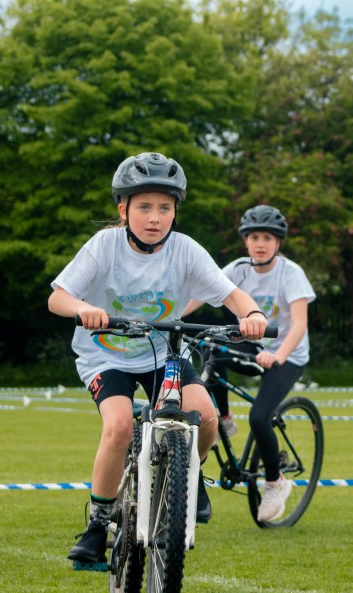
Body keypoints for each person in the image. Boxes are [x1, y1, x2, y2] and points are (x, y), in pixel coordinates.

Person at [49, 152, 269, 564]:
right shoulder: (105, 246)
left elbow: (231, 294)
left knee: (205, 416)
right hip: (106, 355)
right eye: (144, 206)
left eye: (165, 207)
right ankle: (98, 526)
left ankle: (190, 475)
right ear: (123, 209)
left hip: (160, 352)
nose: (155, 217)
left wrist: (252, 313)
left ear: (175, 211)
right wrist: (82, 309)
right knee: (117, 426)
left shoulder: (185, 250)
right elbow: (57, 297)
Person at [183, 204, 315, 522]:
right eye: (254, 236)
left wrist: (278, 356)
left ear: (278, 243)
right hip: (251, 348)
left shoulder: (291, 273)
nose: (260, 243)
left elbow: (298, 324)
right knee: (212, 349)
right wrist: (168, 318)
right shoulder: (237, 269)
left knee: (259, 417)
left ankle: (275, 482)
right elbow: (197, 296)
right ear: (245, 241)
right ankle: (224, 419)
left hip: (286, 355)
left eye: (267, 237)